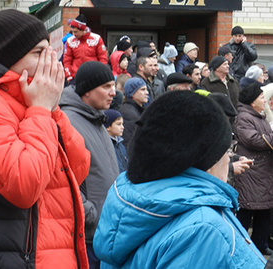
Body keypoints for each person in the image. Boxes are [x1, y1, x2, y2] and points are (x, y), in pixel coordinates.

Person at [0, 9, 90, 268]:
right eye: (37, 52)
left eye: (49, 50)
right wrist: (42, 111)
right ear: (9, 57)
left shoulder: (30, 98)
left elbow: (77, 170)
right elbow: (23, 184)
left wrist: (52, 109)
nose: (50, 60)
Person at [93, 90, 266, 269]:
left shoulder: (128, 198)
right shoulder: (202, 229)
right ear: (208, 162)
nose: (228, 159)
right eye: (225, 152)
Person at [59, 61, 119, 269]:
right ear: (86, 91)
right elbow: (63, 180)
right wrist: (89, 215)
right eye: (106, 87)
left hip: (104, 234)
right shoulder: (68, 122)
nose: (113, 92)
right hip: (86, 237)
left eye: (113, 85)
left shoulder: (97, 121)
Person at [234, 83, 273, 255]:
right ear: (252, 101)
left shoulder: (260, 116)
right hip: (251, 172)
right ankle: (243, 247)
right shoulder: (244, 117)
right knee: (247, 210)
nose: (265, 100)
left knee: (264, 211)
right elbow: (254, 140)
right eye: (262, 97)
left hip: (263, 173)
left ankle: (261, 244)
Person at [63, 14, 108, 83]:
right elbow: (67, 61)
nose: (73, 34)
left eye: (76, 32)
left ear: (82, 30)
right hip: (76, 78)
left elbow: (103, 59)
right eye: (72, 32)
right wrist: (69, 77)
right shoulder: (70, 41)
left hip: (93, 77)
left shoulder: (97, 38)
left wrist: (100, 75)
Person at [118, 77, 148, 149]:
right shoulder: (128, 113)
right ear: (132, 93)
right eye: (142, 89)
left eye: (146, 89)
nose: (147, 92)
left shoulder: (137, 110)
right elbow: (128, 142)